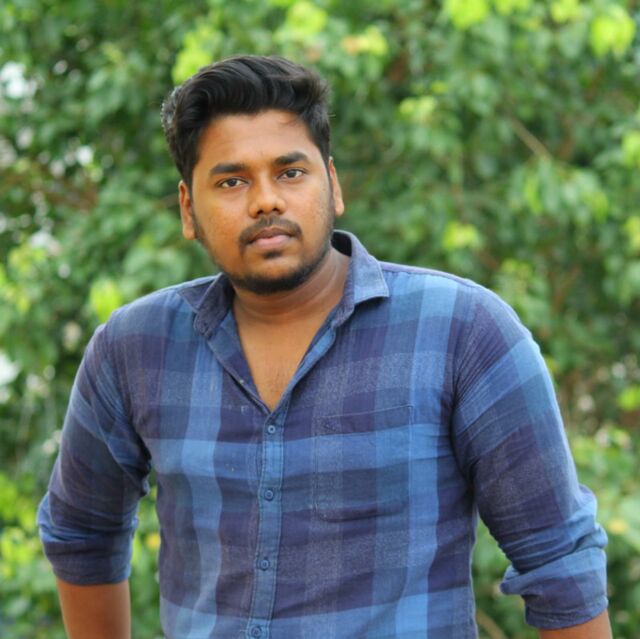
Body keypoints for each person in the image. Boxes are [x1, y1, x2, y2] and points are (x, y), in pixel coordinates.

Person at [38, 55, 611, 639]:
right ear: (189, 209)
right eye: (232, 181)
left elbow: (560, 561)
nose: (266, 201)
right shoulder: (134, 349)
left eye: (290, 172)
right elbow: (81, 532)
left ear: (333, 185)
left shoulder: (463, 332)